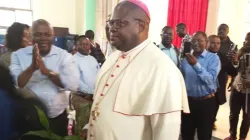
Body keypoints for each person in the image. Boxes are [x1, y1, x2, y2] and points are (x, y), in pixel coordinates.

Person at [87, 1, 189, 140]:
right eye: (111, 23)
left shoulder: (162, 68)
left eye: (119, 23)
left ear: (140, 26)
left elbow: (166, 131)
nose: (112, 28)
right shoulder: (113, 58)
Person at [10, 19, 79, 136]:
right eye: (38, 34)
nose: (43, 38)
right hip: (30, 118)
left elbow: (73, 85)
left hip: (58, 118)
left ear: (53, 36)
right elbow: (17, 84)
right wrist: (32, 68)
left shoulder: (64, 56)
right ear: (32, 36)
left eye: (47, 34)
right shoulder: (18, 55)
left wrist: (48, 73)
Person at [181, 31, 221, 140]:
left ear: (206, 42)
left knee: (204, 135)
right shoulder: (185, 60)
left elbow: (211, 79)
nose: (196, 43)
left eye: (200, 40)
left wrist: (196, 65)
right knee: (186, 133)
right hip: (188, 103)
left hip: (206, 103)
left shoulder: (213, 58)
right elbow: (182, 81)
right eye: (194, 40)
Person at [207, 35, 238, 130]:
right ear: (207, 43)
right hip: (203, 90)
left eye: (218, 43)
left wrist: (235, 62)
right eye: (213, 42)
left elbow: (233, 72)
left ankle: (211, 123)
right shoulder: (201, 54)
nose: (216, 45)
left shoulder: (222, 56)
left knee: (214, 110)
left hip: (217, 90)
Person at [224, 32, 250, 140]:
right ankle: (232, 135)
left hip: (249, 92)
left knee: (247, 116)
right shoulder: (240, 52)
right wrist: (235, 60)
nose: (246, 42)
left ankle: (242, 137)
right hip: (237, 87)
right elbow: (235, 70)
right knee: (233, 114)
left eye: (249, 40)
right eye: (246, 39)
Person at [218, 24, 237, 92]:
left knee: (219, 97)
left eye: (224, 29)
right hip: (210, 73)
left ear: (228, 31)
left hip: (223, 75)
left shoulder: (232, 46)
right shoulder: (211, 42)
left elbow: (234, 64)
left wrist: (232, 81)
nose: (221, 31)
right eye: (220, 29)